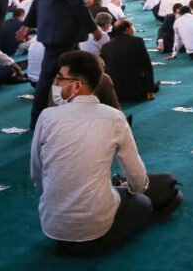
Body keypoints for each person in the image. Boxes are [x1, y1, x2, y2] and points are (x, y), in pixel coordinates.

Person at [31, 50, 183, 257]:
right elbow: (137, 180)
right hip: (95, 226)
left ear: (76, 85)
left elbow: (37, 172)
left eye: (60, 78)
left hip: (53, 225)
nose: (55, 83)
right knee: (146, 202)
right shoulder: (114, 118)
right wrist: (131, 189)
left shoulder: (47, 116)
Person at [24, 0, 103, 129]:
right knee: (50, 77)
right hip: (64, 34)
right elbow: (76, 3)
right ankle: (38, 121)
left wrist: (28, 23)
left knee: (70, 74)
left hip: (53, 31)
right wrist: (93, 28)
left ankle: (72, 115)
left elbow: (37, 0)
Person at [101, 19, 158, 102]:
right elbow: (147, 66)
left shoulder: (106, 46)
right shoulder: (137, 41)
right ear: (127, 29)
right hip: (136, 90)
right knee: (155, 85)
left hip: (116, 92)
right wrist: (149, 89)